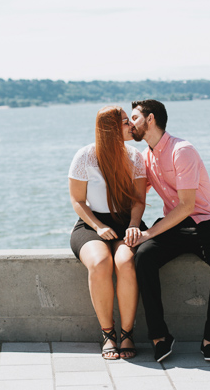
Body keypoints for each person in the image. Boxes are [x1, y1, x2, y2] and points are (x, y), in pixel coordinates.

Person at [125, 99, 210, 363]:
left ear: (150, 119)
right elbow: (135, 197)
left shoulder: (182, 150)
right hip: (175, 226)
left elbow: (187, 206)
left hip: (207, 222)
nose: (131, 124)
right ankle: (159, 337)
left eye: (134, 118)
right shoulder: (145, 157)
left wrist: (148, 233)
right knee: (143, 257)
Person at [68, 105, 148, 360]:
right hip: (93, 223)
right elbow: (78, 201)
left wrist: (134, 224)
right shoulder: (84, 156)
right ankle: (108, 333)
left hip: (129, 221)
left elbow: (138, 200)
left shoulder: (135, 156)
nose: (131, 126)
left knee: (125, 262)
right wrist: (99, 226)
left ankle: (127, 333)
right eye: (125, 122)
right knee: (101, 262)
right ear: (111, 129)